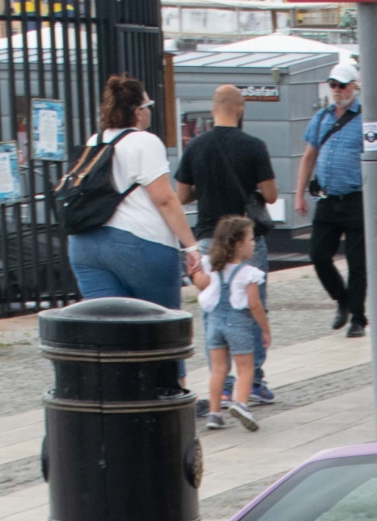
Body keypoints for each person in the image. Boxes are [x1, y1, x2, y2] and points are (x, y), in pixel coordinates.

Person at [65, 75, 202, 320]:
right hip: (139, 245)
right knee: (161, 330)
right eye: (148, 107)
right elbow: (165, 199)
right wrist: (191, 247)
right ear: (138, 113)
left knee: (110, 332)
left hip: (87, 246)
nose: (150, 112)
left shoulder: (94, 141)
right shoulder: (145, 142)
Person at [174, 86, 279, 403]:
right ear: (241, 108)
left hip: (208, 238)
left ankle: (222, 383)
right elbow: (271, 195)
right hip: (246, 239)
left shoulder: (196, 146)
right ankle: (255, 381)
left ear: (214, 108)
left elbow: (181, 196)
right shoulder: (254, 146)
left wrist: (204, 192)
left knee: (212, 309)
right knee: (250, 304)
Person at [294, 61, 367, 338]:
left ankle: (358, 317)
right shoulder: (322, 117)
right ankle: (343, 299)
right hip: (327, 199)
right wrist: (299, 192)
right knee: (319, 255)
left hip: (355, 198)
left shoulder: (365, 118)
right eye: (333, 85)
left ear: (353, 87)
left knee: (357, 262)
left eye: (341, 85)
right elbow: (308, 156)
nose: (336, 90)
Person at [199, 215, 268, 433]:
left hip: (214, 323)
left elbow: (201, 284)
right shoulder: (249, 274)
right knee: (246, 368)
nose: (253, 243)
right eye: (250, 239)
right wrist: (265, 329)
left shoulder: (212, 265)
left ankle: (214, 413)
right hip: (237, 324)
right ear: (239, 244)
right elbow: (255, 305)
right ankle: (242, 404)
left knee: (219, 369)